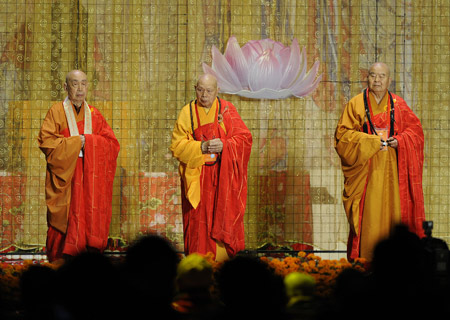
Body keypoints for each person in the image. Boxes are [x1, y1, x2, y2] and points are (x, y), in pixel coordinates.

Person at [334, 62, 425, 260]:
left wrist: (400, 140)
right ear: (367, 78)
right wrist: (371, 141)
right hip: (367, 169)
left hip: (394, 169)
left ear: (389, 80)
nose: (377, 80)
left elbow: (416, 132)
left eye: (382, 76)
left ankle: (396, 261)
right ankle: (366, 260)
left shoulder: (399, 104)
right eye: (373, 75)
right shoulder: (356, 104)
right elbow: (342, 136)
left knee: (395, 214)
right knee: (370, 217)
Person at [38, 70, 120, 263]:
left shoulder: (95, 114)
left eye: (84, 83)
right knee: (65, 221)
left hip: (90, 178)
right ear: (66, 87)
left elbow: (112, 144)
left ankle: (89, 264)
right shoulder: (56, 111)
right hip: (67, 175)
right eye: (75, 84)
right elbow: (46, 142)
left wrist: (90, 142)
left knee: (89, 218)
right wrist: (77, 143)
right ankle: (59, 264)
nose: (80, 88)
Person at [170, 74, 252, 261]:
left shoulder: (227, 110)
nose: (204, 95)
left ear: (217, 91)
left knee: (222, 218)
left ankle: (223, 267)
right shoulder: (187, 112)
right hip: (198, 179)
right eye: (200, 90)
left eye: (209, 90)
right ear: (195, 89)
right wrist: (201, 147)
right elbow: (177, 146)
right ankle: (198, 268)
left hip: (223, 178)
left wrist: (226, 145)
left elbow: (244, 139)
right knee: (199, 226)